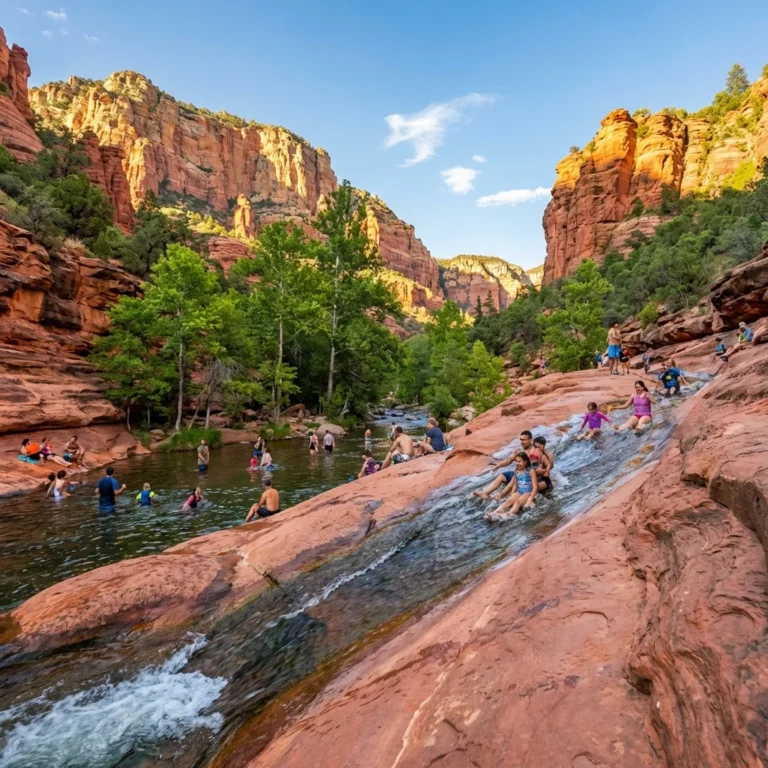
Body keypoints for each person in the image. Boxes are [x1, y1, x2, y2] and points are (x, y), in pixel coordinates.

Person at [473, 430, 537, 499]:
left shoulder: (534, 452)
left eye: (524, 440)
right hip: (517, 474)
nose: (522, 442)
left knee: (515, 477)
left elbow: (537, 467)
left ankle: (500, 495)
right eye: (521, 440)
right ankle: (485, 493)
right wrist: (498, 466)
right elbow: (509, 460)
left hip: (526, 477)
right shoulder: (519, 451)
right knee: (501, 476)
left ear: (530, 440)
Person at [487, 452, 538, 520]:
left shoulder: (531, 471)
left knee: (518, 502)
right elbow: (515, 485)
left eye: (519, 461)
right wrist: (512, 494)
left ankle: (509, 514)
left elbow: (535, 486)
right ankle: (495, 512)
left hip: (528, 492)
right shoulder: (517, 471)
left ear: (525, 462)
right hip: (520, 491)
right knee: (508, 501)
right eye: (516, 462)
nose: (517, 463)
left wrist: (531, 498)